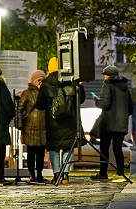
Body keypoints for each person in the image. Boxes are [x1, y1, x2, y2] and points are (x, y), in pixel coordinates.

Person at [36, 57, 81, 185]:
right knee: (68, 147)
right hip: (69, 121)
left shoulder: (45, 84)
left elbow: (40, 105)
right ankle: (65, 174)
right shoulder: (71, 81)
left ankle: (56, 174)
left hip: (53, 121)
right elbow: (80, 100)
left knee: (54, 148)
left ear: (50, 68)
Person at [91, 65, 134, 183]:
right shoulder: (125, 88)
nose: (104, 77)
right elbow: (130, 108)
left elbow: (105, 104)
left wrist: (96, 101)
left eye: (105, 75)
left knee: (104, 148)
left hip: (108, 122)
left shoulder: (107, 85)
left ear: (108, 76)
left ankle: (103, 173)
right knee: (117, 148)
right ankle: (120, 171)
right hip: (121, 123)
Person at [17, 69, 48, 183]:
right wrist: (20, 126)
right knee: (31, 153)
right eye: (39, 80)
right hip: (30, 127)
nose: (40, 82)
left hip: (43, 127)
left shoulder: (45, 92)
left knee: (41, 153)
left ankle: (39, 174)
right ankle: (32, 174)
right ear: (34, 81)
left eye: (42, 80)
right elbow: (19, 109)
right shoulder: (27, 93)